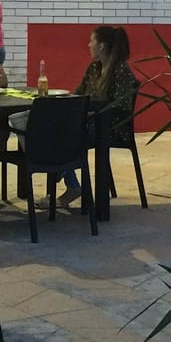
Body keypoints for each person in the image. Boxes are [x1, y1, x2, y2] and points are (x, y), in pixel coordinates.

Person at [63, 25, 140, 206]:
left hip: (112, 129)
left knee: (66, 138)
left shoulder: (121, 71)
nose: (89, 45)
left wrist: (90, 113)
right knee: (57, 133)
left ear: (102, 46)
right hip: (89, 124)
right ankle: (72, 184)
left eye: (92, 41)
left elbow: (122, 107)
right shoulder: (94, 68)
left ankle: (68, 179)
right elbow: (79, 93)